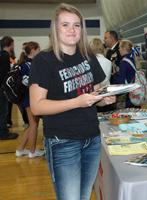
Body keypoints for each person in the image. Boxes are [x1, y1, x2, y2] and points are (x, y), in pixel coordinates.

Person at [29, 3, 116, 200]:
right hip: (63, 141)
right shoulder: (43, 60)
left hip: (92, 139)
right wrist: (76, 102)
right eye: (65, 25)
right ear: (55, 28)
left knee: (84, 196)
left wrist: (103, 99)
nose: (72, 30)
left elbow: (93, 94)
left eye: (77, 25)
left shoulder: (87, 56)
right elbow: (37, 106)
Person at [16, 41, 44, 158]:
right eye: (38, 49)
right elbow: (30, 83)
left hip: (28, 98)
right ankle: (32, 151)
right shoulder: (29, 65)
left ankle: (20, 149)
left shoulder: (25, 64)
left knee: (33, 124)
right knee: (33, 125)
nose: (40, 51)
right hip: (30, 98)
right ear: (33, 51)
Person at [0, 36, 19, 140]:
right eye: (12, 44)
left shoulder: (1, 55)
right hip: (2, 88)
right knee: (3, 110)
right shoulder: (5, 56)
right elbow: (5, 74)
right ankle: (3, 133)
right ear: (9, 44)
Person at [111, 39, 139, 108]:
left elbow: (121, 81)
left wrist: (114, 75)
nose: (119, 50)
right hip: (135, 93)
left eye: (120, 48)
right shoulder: (133, 59)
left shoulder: (123, 62)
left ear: (124, 48)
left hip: (127, 97)